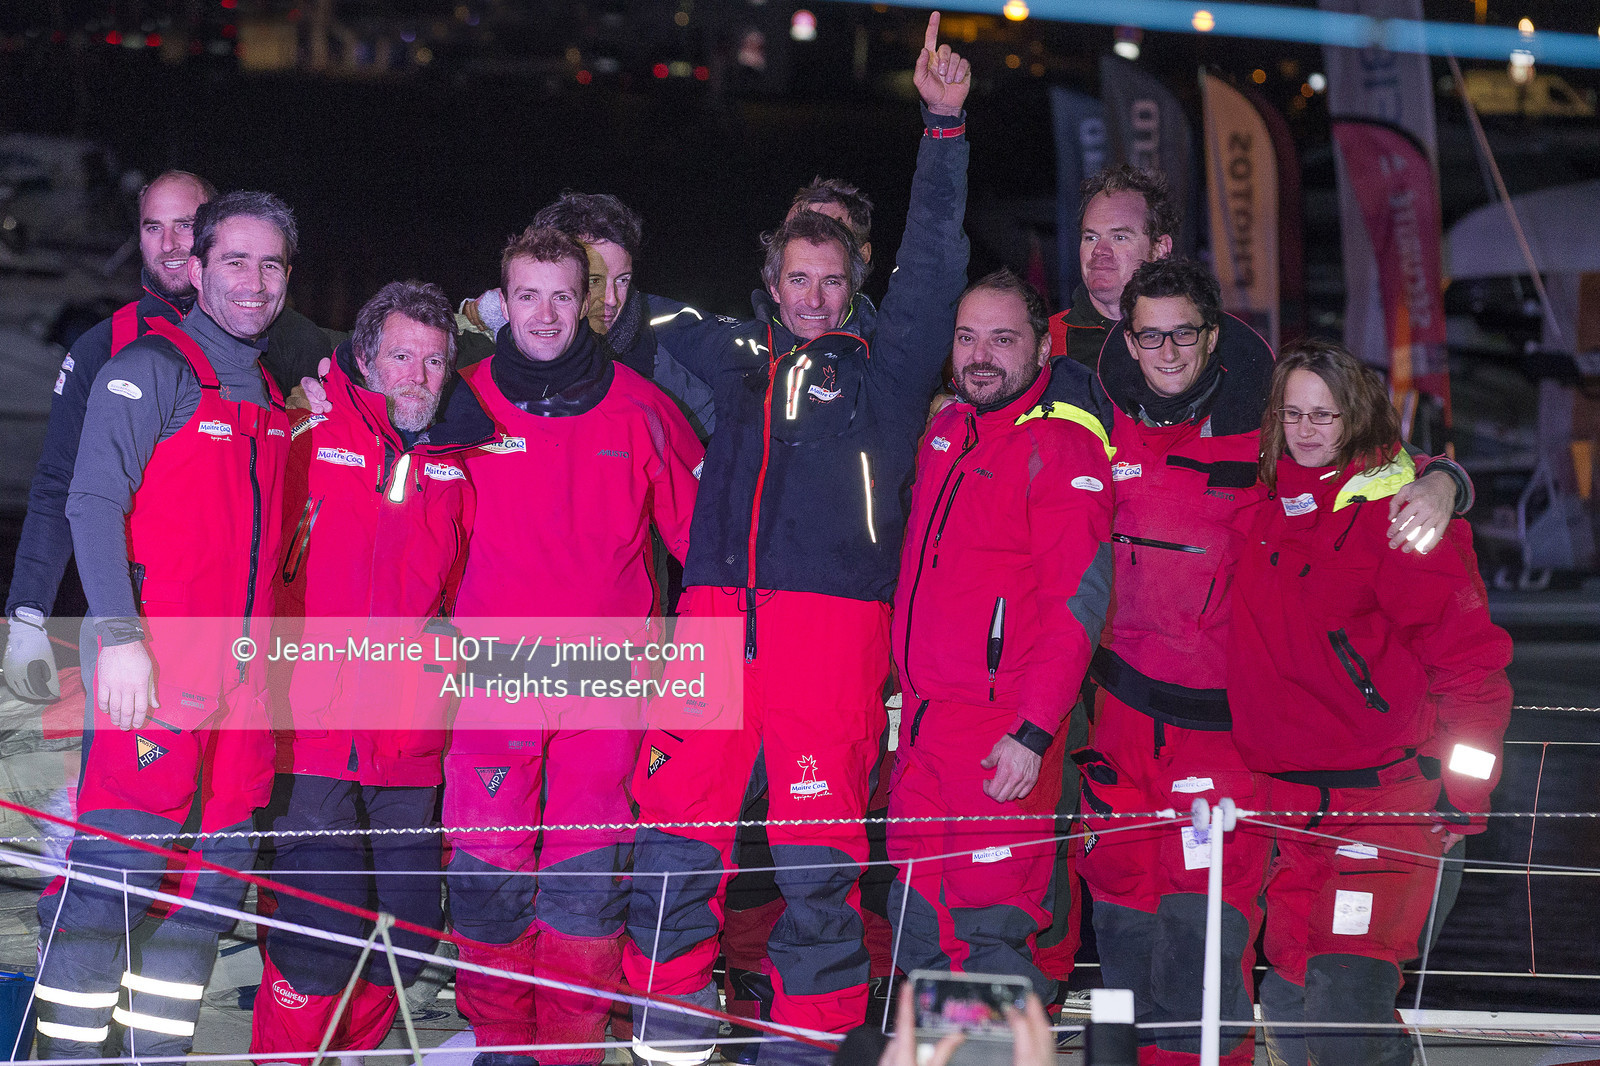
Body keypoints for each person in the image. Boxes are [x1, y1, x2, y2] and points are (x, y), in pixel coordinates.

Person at [624, 15, 971, 1064]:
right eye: (798, 280)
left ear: (852, 282)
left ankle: (805, 1047)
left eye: (833, 280)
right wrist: (480, 316)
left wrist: (943, 127)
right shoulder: (731, 361)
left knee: (818, 867)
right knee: (676, 845)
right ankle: (668, 1037)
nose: (815, 298)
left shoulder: (886, 371)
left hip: (831, 638)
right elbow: (589, 313)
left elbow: (933, 262)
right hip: (712, 626)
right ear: (771, 281)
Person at [1058, 258, 1466, 1066]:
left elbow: (1369, 463)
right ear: (1128, 341)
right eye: (1150, 334)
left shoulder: (1268, 440)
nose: (1167, 350)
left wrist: (1445, 479)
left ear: (1212, 338)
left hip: (1220, 742)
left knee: (1202, 941)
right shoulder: (1098, 425)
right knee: (1117, 931)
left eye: (1183, 332)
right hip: (1116, 733)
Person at [34, 191, 297, 1061]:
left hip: (244, 695)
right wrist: (117, 636)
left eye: (271, 264)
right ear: (195, 267)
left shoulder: (267, 388)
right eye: (235, 260)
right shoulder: (152, 367)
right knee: (112, 888)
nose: (253, 282)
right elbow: (90, 500)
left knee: (199, 911)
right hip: (153, 676)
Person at [442, 226, 703, 1066]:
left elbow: (706, 552)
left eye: (563, 294)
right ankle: (499, 1045)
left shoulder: (642, 407)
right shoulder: (464, 401)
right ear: (502, 301)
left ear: (588, 299)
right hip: (494, 686)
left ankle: (570, 1050)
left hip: (604, 688)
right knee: (486, 878)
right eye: (528, 295)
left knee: (586, 885)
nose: (547, 314)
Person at [1227, 340, 1512, 1066]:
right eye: (1292, 412)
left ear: (1356, 414)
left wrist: (1461, 795)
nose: (1307, 428)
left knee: (1344, 1007)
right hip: (1289, 812)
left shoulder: (1402, 516)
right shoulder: (1262, 505)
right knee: (1289, 1007)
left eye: (1324, 413)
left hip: (1384, 805)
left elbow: (1472, 670)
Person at [249, 281, 492, 1063]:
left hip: (410, 739)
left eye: (432, 360)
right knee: (319, 935)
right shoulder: (310, 426)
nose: (416, 376)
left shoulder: (463, 463)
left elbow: (470, 593)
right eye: (399, 357)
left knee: (409, 935)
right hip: (312, 730)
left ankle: (346, 1053)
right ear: (364, 358)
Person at [3, 170, 340, 705]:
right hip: (148, 632)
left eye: (186, 224)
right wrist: (27, 614)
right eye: (152, 227)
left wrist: (480, 323)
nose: (170, 244)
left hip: (251, 641)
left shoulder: (280, 333)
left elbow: (389, 367)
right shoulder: (108, 346)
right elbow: (62, 487)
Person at [887, 268, 1112, 1000]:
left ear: (1042, 348)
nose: (980, 355)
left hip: (1000, 735)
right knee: (918, 925)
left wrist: (1034, 730)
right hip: (923, 732)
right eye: (967, 337)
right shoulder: (947, 431)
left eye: (1003, 339)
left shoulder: (1061, 446)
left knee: (990, 935)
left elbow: (1078, 603)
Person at [453, 193, 714, 436]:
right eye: (594, 280)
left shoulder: (651, 362)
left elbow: (714, 434)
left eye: (622, 280)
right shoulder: (478, 353)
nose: (611, 300)